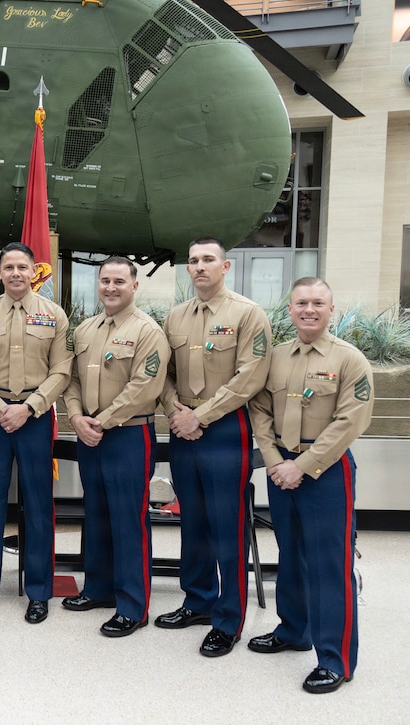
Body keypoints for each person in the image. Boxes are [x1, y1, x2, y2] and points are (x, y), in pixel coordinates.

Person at [247, 277, 373, 694]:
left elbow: (350, 422)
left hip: (327, 471)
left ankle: (335, 660)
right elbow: (259, 408)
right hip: (281, 467)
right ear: (291, 309)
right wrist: (273, 461)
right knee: (291, 554)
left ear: (330, 309)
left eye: (318, 303)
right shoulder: (276, 358)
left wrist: (302, 465)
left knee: (328, 564)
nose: (309, 310)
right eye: (301, 302)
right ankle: (294, 630)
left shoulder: (349, 360)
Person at [156, 237, 272, 657]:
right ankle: (198, 601)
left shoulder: (247, 314)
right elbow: (161, 375)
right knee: (195, 523)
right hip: (183, 430)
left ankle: (228, 618)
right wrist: (175, 411)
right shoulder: (175, 317)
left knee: (227, 525)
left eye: (208, 260)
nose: (200, 266)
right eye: (193, 261)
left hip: (225, 430)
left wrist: (199, 416)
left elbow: (250, 377)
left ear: (225, 267)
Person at [0, 242, 72, 624]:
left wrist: (28, 408)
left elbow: (61, 371)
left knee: (39, 507)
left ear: (33, 271)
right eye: (8, 267)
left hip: (36, 417)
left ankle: (39, 591)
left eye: (22, 267)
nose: (15, 274)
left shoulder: (54, 316)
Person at [62, 257, 168, 637]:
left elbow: (145, 387)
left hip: (127, 436)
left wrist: (100, 422)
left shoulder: (147, 332)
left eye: (119, 281)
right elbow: (70, 380)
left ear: (134, 286)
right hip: (89, 434)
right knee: (98, 515)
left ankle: (132, 606)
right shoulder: (86, 330)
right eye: (105, 280)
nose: (110, 287)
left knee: (128, 521)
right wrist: (76, 418)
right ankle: (99, 589)